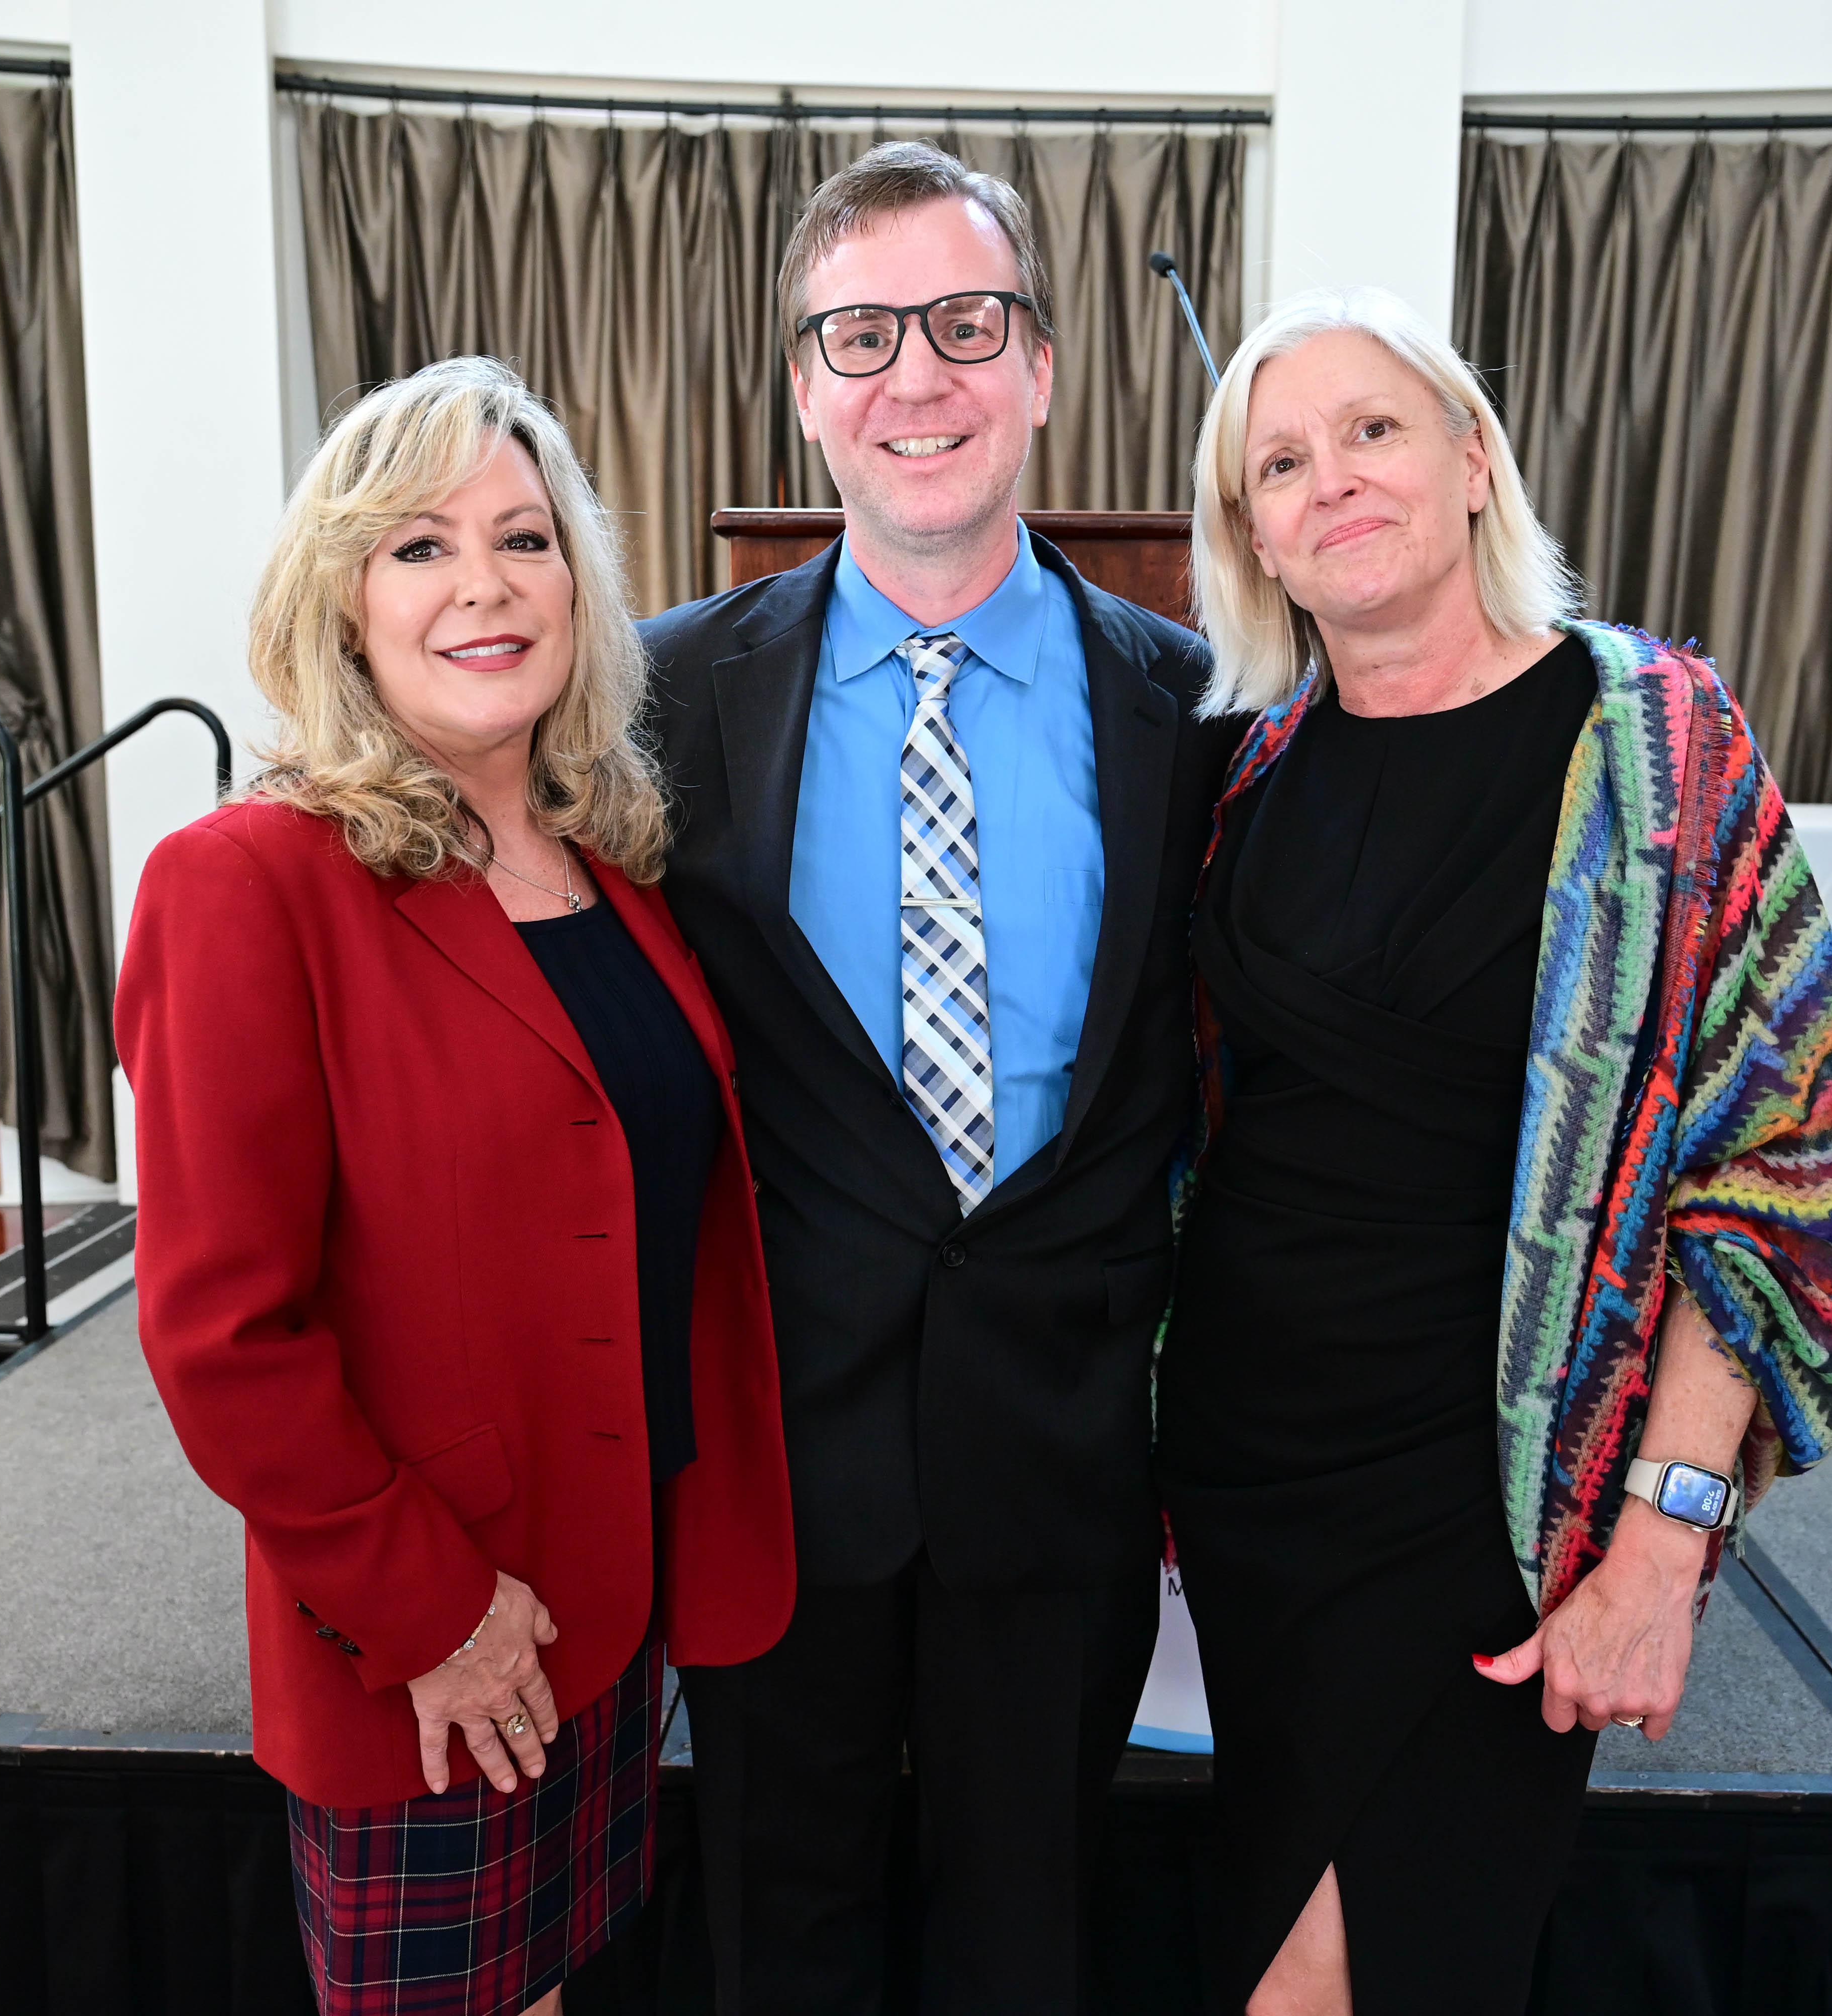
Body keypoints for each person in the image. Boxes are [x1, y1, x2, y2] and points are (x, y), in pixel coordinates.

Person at [1160, 287, 1832, 2016]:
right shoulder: (1245, 773)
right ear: (1249, 533)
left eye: (1374, 429)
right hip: (1255, 1478)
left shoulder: (1655, 742)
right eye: (1279, 459)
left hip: (1494, 1505)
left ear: (1475, 459)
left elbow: (1788, 1154)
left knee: (1365, 1968)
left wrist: (1663, 1545)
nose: (1330, 477)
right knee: (1289, 1939)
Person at [118, 357, 795, 2016]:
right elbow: (223, 1335)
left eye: (524, 537)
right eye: (419, 547)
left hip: (605, 1607)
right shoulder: (247, 883)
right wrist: (435, 1611)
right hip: (438, 1630)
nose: (484, 585)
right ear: (341, 599)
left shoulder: (610, 866)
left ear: (582, 581)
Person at [639, 143, 1237, 2013]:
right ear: (806, 387)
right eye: (863, 334)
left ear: (1043, 365)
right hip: (771, 1453)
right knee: (780, 1940)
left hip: (1058, 1456)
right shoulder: (661, 699)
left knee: (1027, 1943)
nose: (920, 376)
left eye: (966, 324)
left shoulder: (1195, 705)